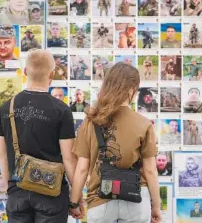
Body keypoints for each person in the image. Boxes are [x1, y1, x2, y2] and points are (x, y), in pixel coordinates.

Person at [69, 63, 161, 222]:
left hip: (100, 200)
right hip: (136, 199)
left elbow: (82, 169)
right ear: (132, 90)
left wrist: (74, 202)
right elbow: (151, 170)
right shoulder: (144, 124)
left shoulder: (90, 122)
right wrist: (156, 206)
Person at [0, 49, 78, 222]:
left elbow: (1, 154)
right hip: (52, 193)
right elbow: (69, 159)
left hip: (17, 192)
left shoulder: (5, 108)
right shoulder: (61, 110)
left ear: (25, 72)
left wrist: (9, 186)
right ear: (52, 74)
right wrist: (76, 199)